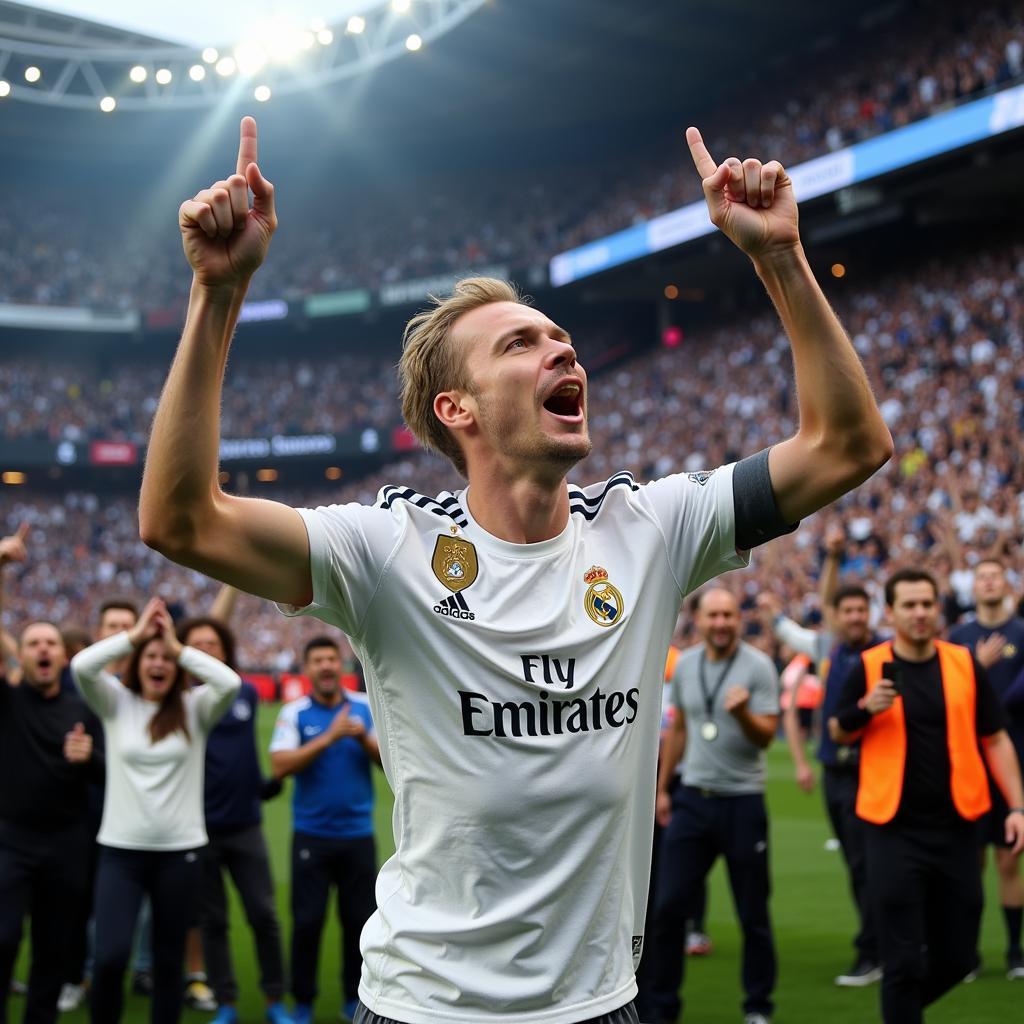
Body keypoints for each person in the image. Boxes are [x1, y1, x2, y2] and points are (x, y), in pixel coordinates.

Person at [139, 116, 892, 1022]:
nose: (562, 349)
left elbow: (849, 444)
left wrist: (780, 258)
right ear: (455, 408)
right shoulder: (388, 550)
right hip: (425, 1006)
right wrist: (216, 295)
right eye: (521, 345)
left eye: (560, 337)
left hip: (602, 1004)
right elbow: (179, 520)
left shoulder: (648, 526)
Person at [830, 567, 1024, 1024]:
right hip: (890, 828)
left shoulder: (962, 662)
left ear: (938, 609)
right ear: (891, 612)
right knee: (900, 959)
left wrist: (1016, 805)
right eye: (909, 605)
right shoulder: (870, 665)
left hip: (957, 826)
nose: (919, 613)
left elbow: (995, 738)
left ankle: (903, 1012)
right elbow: (838, 729)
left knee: (958, 956)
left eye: (926, 604)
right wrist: (865, 708)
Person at [70, 598, 241, 1024]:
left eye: (167, 658)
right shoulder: (115, 704)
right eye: (151, 656)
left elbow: (229, 683)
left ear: (178, 666)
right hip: (120, 852)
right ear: (136, 662)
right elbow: (82, 667)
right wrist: (136, 634)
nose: (159, 664)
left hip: (180, 853)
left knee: (168, 963)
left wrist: (177, 645)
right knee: (109, 957)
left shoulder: (196, 708)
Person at [648, 588, 780, 1024]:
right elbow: (680, 730)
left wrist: (742, 714)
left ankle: (758, 1006)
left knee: (753, 912)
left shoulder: (758, 666)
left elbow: (765, 736)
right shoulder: (685, 665)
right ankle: (660, 1007)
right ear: (698, 620)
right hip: (693, 798)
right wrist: (663, 789)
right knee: (667, 908)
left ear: (737, 619)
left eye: (728, 615)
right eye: (713, 616)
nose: (721, 623)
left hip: (743, 801)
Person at [759, 576, 884, 986]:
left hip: (872, 769)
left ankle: (875, 950)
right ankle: (882, 944)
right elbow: (787, 630)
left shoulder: (883, 652)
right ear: (836, 616)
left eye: (860, 610)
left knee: (871, 863)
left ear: (870, 613)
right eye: (847, 611)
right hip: (835, 770)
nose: (854, 617)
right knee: (855, 860)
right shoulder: (828, 648)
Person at [178, 613, 291, 1024]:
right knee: (213, 920)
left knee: (264, 915)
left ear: (226, 651)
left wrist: (262, 787)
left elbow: (240, 761)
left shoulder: (245, 693)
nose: (207, 651)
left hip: (246, 825)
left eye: (214, 644)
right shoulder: (180, 701)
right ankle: (225, 1002)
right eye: (198, 645)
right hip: (200, 829)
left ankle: (274, 1000)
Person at [270, 637, 379, 1024]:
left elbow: (391, 762)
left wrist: (361, 736)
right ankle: (302, 1002)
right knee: (308, 921)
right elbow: (279, 764)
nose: (327, 666)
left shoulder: (365, 708)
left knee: (359, 923)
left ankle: (354, 998)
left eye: (332, 659)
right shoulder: (295, 712)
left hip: (357, 835)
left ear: (342, 666)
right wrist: (328, 737)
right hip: (312, 836)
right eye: (318, 661)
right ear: (307, 669)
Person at [0, 622, 103, 1024]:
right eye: (33, 644)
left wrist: (89, 756)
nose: (43, 650)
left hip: (67, 846)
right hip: (11, 842)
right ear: (20, 655)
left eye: (50, 643)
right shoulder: (7, 703)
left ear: (63, 656)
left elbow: (109, 775)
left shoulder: (82, 710)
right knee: (3, 938)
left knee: (53, 949)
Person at [949, 558, 1024, 979]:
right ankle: (968, 953)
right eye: (982, 577)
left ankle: (1014, 952)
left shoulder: (1022, 633)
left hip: (1015, 758)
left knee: (1010, 859)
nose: (989, 582)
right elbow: (949, 696)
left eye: (996, 575)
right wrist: (976, 667)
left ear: (1006, 584)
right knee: (969, 860)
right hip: (969, 762)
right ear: (973, 588)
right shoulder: (959, 637)